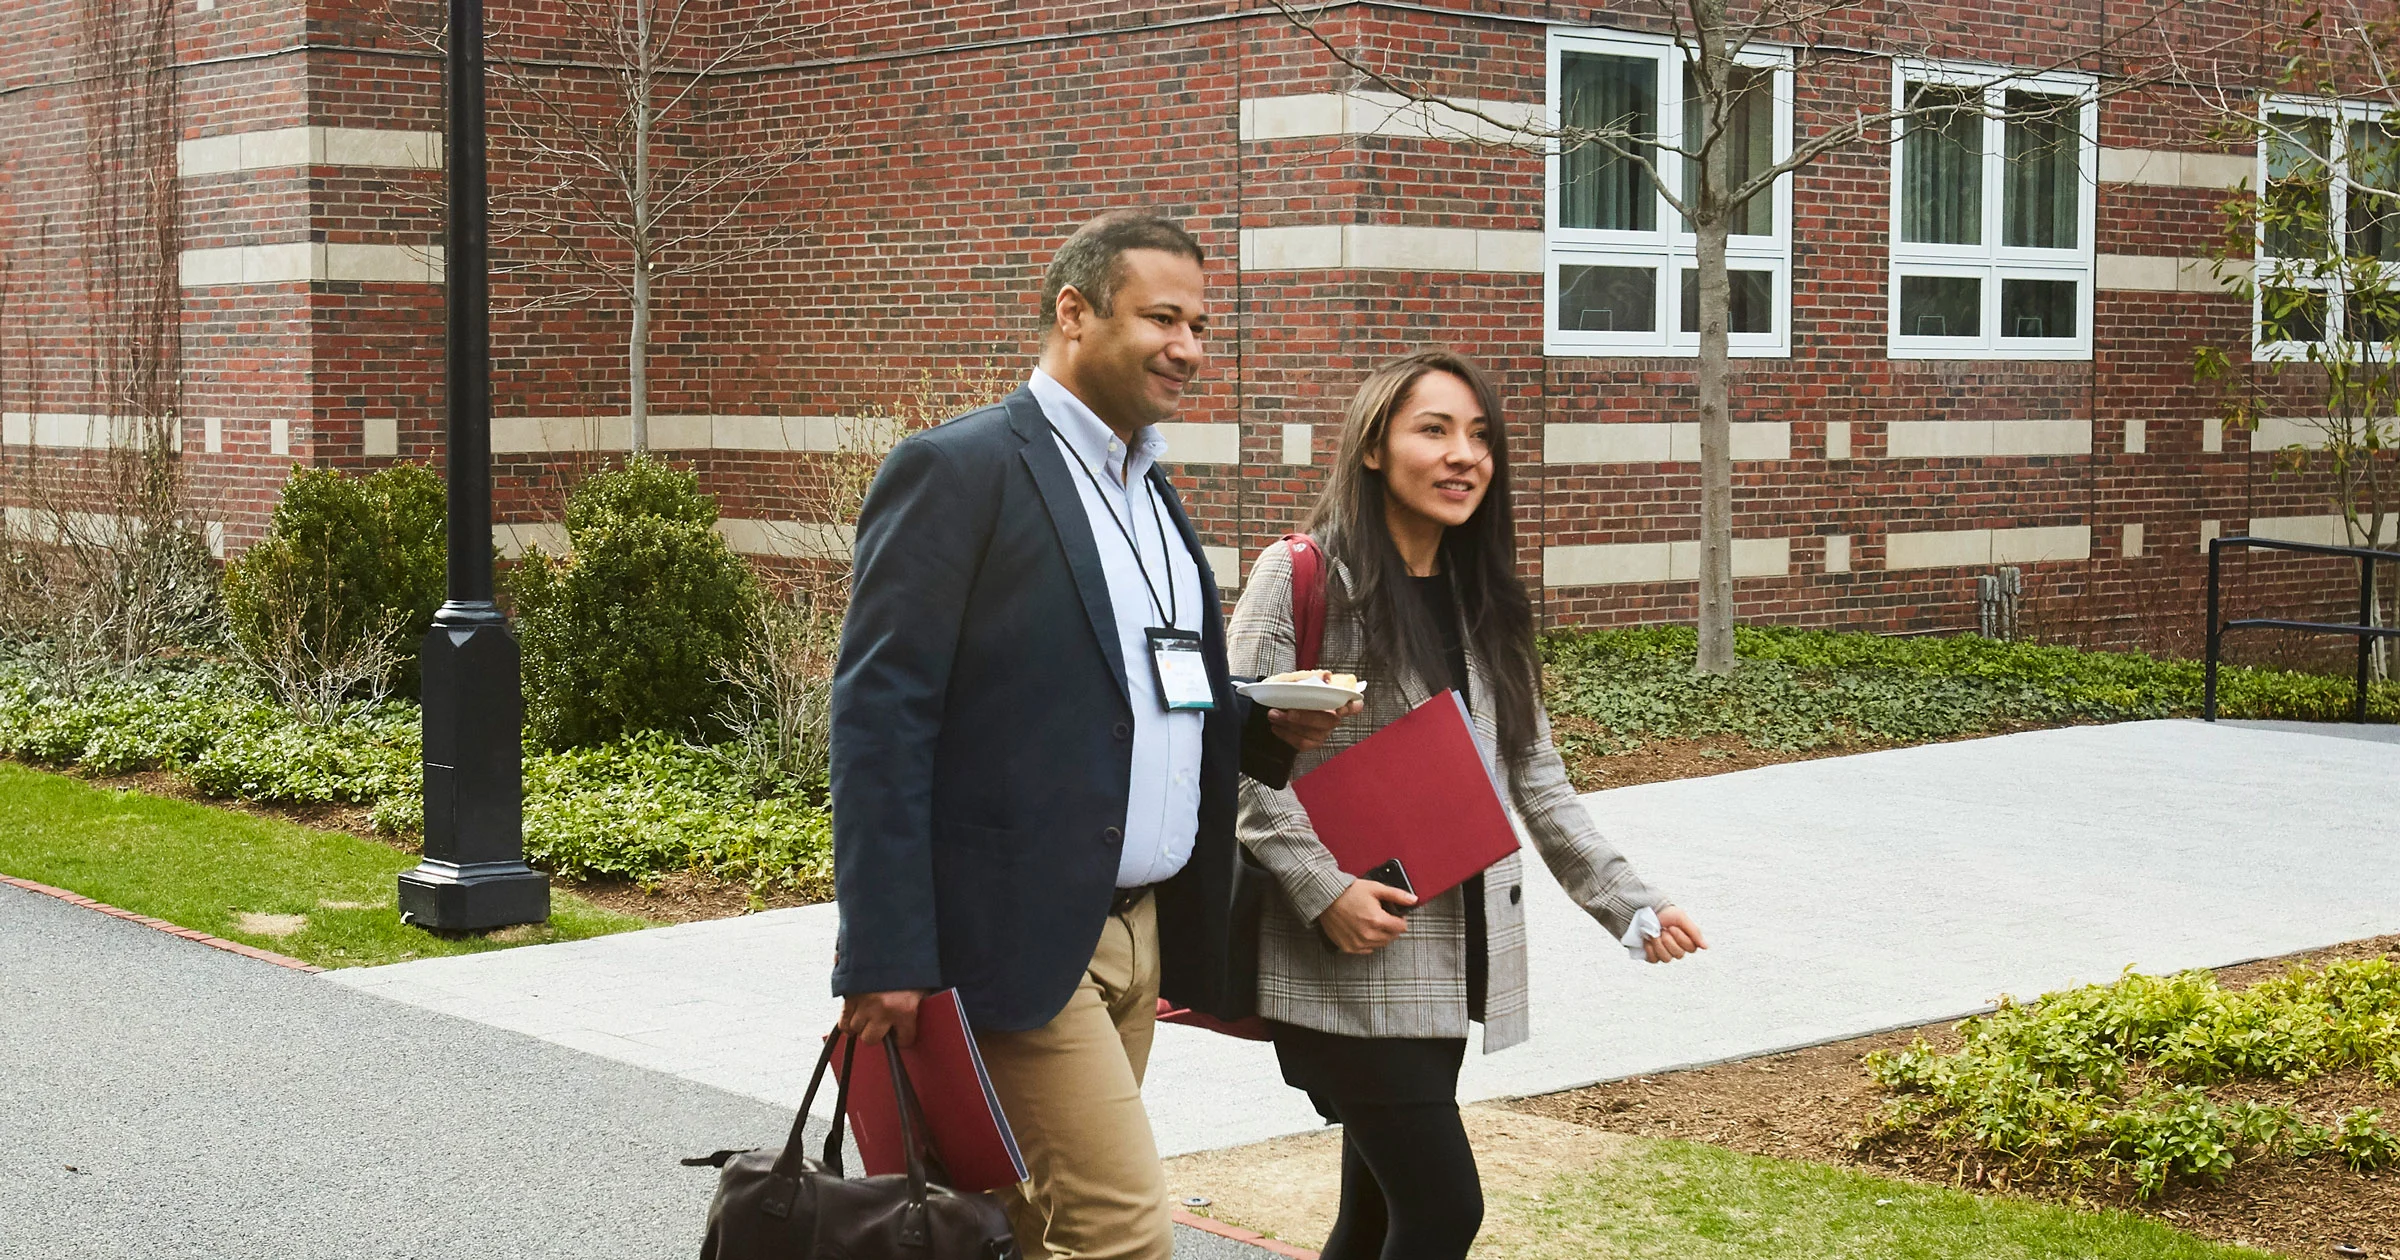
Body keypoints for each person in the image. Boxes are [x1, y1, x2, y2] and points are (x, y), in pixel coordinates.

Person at [828, 211, 1358, 1260]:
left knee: (1031, 1230)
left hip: (1138, 934)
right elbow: (879, 718)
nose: (1191, 349)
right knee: (1122, 1235)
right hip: (1016, 942)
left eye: (1201, 326)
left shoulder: (1155, 494)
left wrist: (1259, 719)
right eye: (1163, 318)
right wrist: (882, 949)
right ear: (1074, 313)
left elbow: (1137, 691)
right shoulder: (960, 471)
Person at [1227, 349, 1707, 1260]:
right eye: (1434, 430)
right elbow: (1239, 760)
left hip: (1448, 961)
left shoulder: (1482, 597)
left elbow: (1536, 776)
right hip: (1342, 961)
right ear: (1374, 447)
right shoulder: (1304, 579)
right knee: (1445, 1211)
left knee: (1372, 1220)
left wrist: (1631, 902)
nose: (1464, 456)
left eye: (1480, 436)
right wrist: (1324, 889)